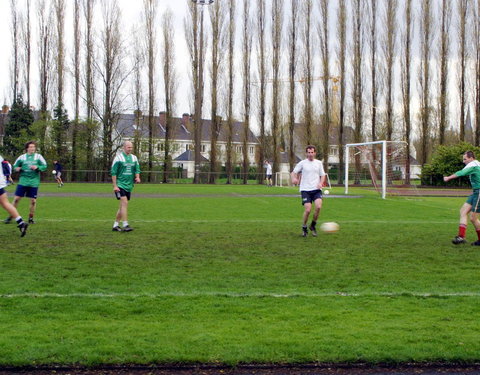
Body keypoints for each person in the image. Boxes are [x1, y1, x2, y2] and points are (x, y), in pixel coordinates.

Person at [5, 141, 47, 225]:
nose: (32, 148)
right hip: (23, 181)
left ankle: (31, 218)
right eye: (30, 147)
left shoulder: (38, 157)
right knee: (16, 199)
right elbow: (14, 166)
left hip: (34, 182)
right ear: (27, 148)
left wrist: (37, 167)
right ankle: (11, 216)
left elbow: (45, 166)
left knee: (33, 201)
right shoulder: (22, 157)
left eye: (33, 147)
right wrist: (17, 168)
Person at [444, 150, 480, 245]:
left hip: (479, 192)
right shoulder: (476, 164)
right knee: (463, 211)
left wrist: (448, 177)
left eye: (465, 159)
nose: (463, 161)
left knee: (473, 218)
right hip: (475, 192)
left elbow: (461, 173)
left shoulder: (473, 164)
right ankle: (461, 237)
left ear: (471, 158)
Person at [290, 145, 326, 237]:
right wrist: (293, 179)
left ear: (315, 153)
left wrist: (321, 183)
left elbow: (323, 175)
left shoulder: (318, 163)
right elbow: (293, 172)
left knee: (318, 207)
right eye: (308, 152)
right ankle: (304, 227)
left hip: (316, 189)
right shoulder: (302, 163)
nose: (310, 154)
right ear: (306, 153)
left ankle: (313, 225)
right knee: (308, 209)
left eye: (312, 152)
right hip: (305, 189)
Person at [111, 141, 141, 232]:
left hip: (129, 185)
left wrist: (137, 177)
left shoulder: (134, 158)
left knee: (122, 206)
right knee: (124, 203)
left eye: (131, 147)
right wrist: (115, 186)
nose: (130, 149)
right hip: (120, 185)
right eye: (128, 147)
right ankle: (125, 224)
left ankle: (115, 225)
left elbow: (137, 169)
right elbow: (113, 172)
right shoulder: (118, 158)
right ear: (124, 147)